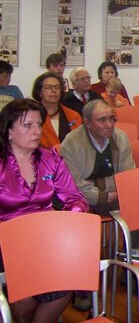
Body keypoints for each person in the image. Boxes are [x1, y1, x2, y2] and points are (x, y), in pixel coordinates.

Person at [0, 99, 88, 323]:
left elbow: (74, 198)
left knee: (68, 276)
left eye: (39, 125)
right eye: (27, 125)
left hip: (45, 238)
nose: (37, 131)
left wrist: (69, 220)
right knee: (24, 295)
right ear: (8, 131)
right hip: (6, 240)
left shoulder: (51, 159)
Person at [31, 72, 82, 149]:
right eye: (48, 87)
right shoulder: (31, 116)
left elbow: (80, 143)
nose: (54, 90)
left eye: (57, 87)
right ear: (39, 92)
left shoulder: (73, 116)